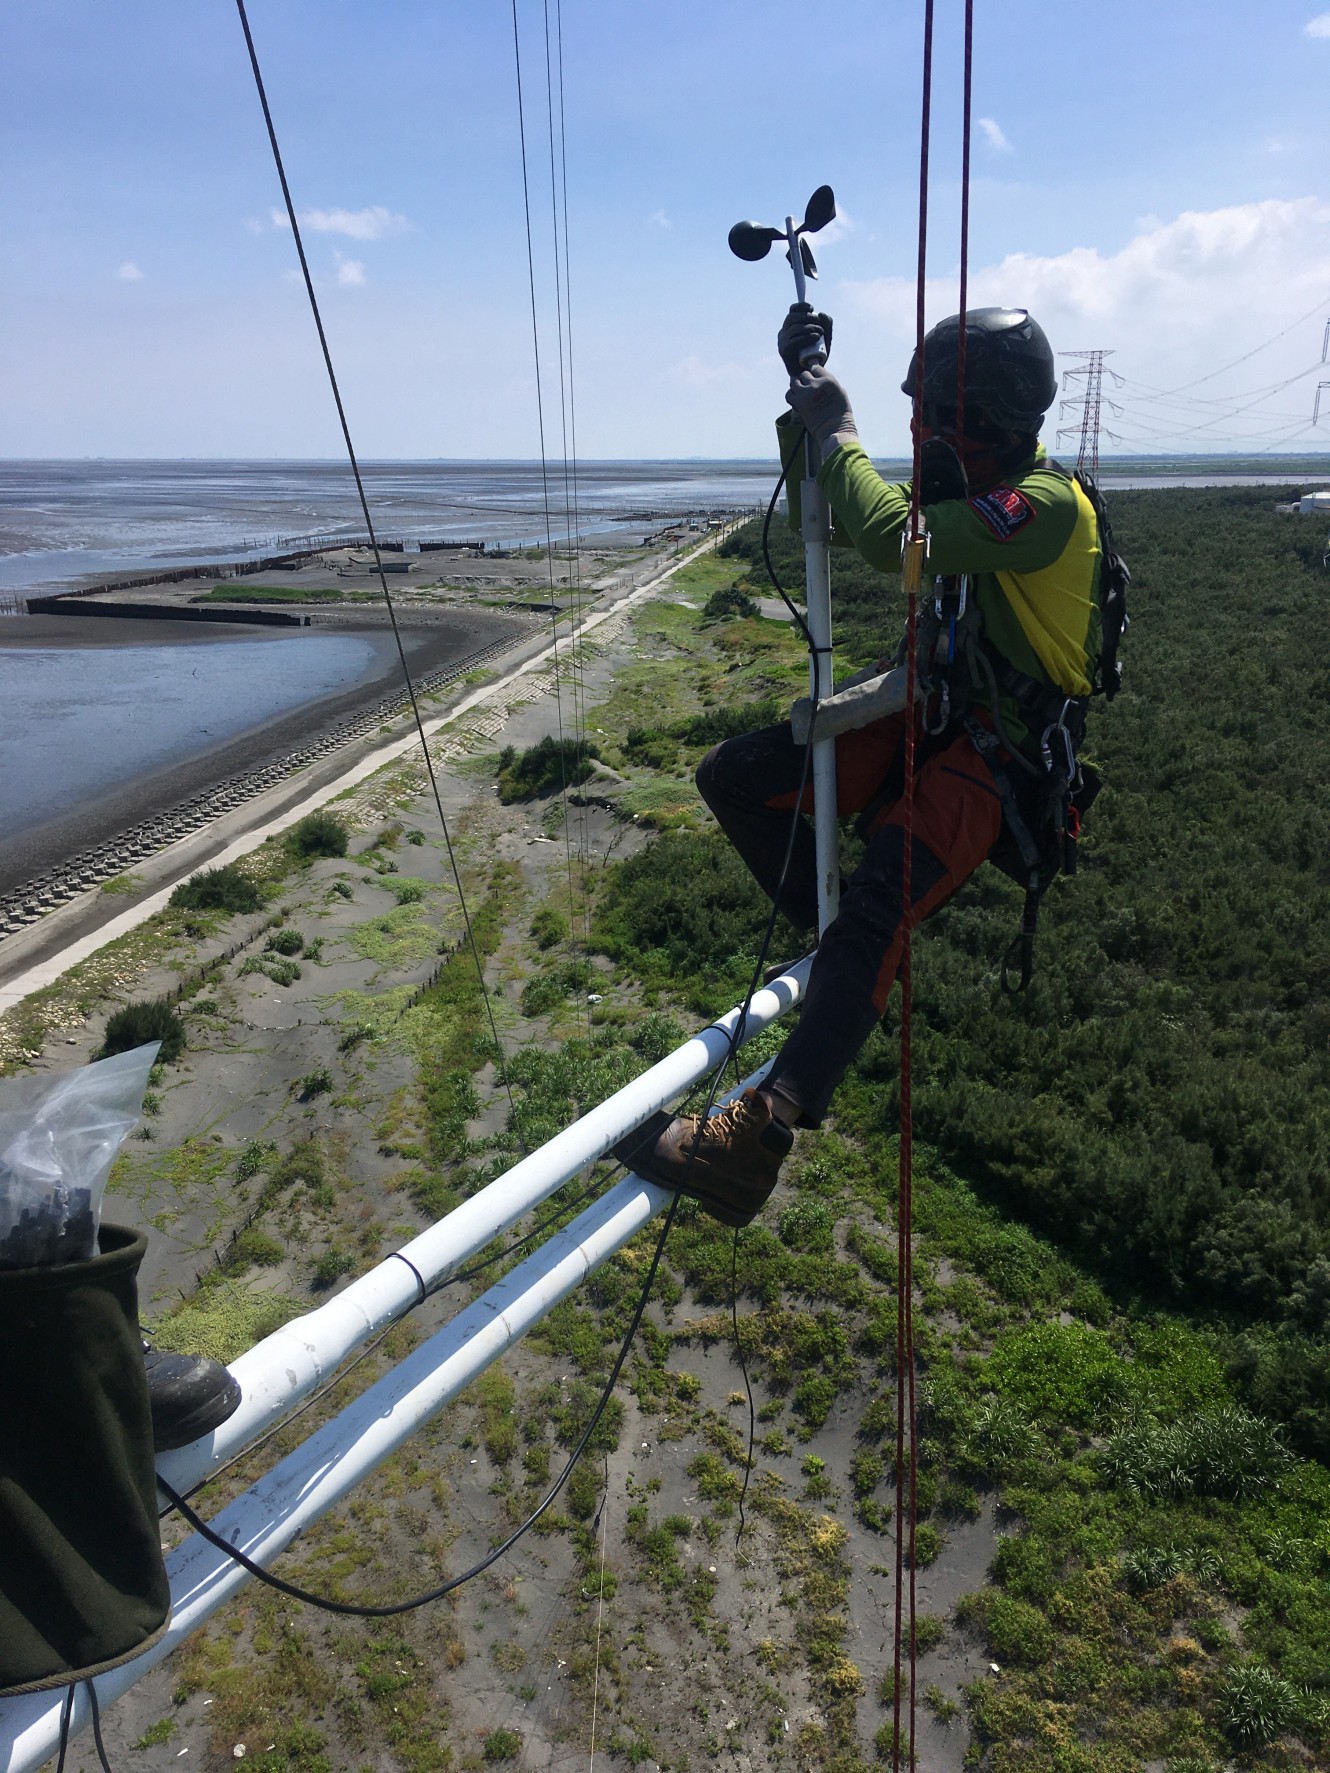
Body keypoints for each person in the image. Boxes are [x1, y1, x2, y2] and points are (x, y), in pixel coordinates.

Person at [619, 306, 1103, 1226]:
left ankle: (755, 1141)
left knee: (882, 900)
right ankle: (828, 932)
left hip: (995, 758)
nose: (917, 433)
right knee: (737, 775)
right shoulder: (973, 497)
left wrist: (841, 430)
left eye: (933, 416)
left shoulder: (1043, 508)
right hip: (939, 715)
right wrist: (805, 416)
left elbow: (890, 540)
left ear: (989, 422)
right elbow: (837, 517)